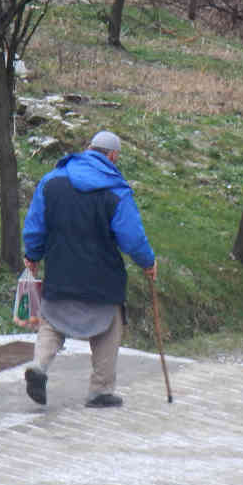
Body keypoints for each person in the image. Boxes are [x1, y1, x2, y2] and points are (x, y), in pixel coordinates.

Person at [21, 130, 157, 408]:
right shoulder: (115, 190)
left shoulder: (52, 181)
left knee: (52, 320)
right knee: (109, 324)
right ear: (113, 156)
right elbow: (131, 236)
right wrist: (147, 262)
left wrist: (32, 254)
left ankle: (39, 366)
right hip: (102, 274)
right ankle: (100, 390)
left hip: (60, 268)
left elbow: (35, 224)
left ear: (88, 148)